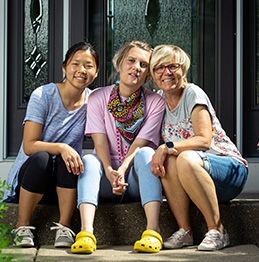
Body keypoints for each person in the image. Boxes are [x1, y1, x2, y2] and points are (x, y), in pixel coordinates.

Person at [149, 44, 248, 251]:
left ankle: (218, 230)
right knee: (172, 159)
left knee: (181, 156)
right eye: (159, 67)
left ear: (183, 70)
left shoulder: (193, 93)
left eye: (173, 66)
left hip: (228, 170)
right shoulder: (158, 100)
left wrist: (165, 146)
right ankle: (185, 231)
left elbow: (204, 140)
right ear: (153, 74)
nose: (166, 72)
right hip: (194, 176)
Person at [71, 41, 165, 254]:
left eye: (143, 65)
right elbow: (99, 141)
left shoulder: (155, 102)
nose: (136, 68)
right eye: (131, 61)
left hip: (136, 180)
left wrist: (122, 170)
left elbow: (141, 142)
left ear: (147, 76)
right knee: (88, 160)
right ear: (120, 63)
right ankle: (86, 232)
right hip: (105, 179)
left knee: (146, 153)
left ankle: (153, 230)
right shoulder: (97, 97)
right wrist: (109, 171)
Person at [3, 42, 99, 248]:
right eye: (76, 64)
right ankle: (22, 225)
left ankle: (64, 227)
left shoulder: (94, 101)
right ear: (64, 68)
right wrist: (62, 147)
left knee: (70, 160)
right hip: (32, 178)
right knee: (43, 156)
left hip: (63, 181)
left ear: (96, 72)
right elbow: (29, 146)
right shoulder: (43, 95)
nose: (82, 70)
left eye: (89, 66)